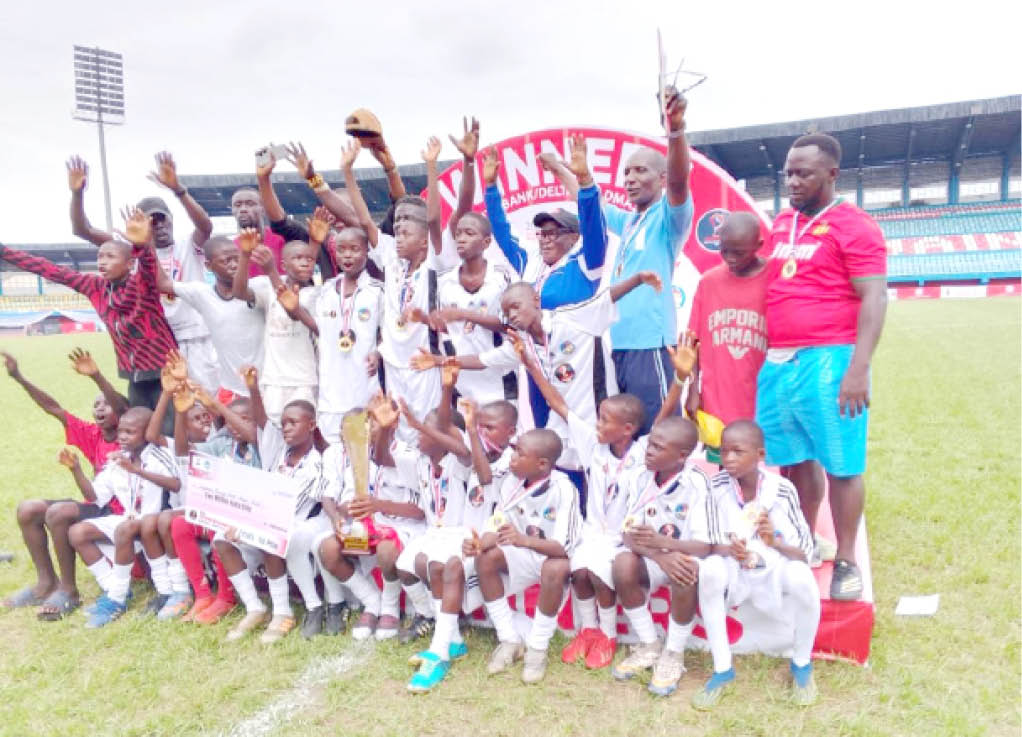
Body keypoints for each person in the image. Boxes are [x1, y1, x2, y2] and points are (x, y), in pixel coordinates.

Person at [757, 133, 887, 599]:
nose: (792, 181)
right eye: (788, 172)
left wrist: (858, 368)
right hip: (779, 360)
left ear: (831, 174)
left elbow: (874, 295)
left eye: (803, 173)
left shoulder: (856, 225)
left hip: (830, 357)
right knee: (793, 460)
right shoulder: (781, 224)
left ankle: (847, 561)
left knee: (842, 463)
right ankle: (804, 543)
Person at [414, 271, 662, 491]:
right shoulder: (522, 344)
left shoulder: (571, 317)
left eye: (516, 306)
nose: (512, 315)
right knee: (559, 476)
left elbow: (607, 297)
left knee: (601, 480)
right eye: (507, 311)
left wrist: (639, 279)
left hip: (595, 418)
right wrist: (438, 361)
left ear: (535, 300)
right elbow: (482, 359)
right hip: (561, 421)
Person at [694, 420, 819, 709]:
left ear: (760, 455)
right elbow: (704, 542)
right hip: (733, 568)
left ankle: (801, 664)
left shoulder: (782, 489)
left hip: (773, 568)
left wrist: (773, 540)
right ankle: (722, 668)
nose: (729, 460)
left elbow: (804, 552)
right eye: (724, 452)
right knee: (711, 570)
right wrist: (729, 549)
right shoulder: (714, 487)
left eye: (738, 452)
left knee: (802, 578)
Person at [67, 153, 218, 392]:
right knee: (168, 409)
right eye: (151, 221)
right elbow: (81, 229)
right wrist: (77, 194)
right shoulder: (127, 251)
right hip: (155, 342)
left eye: (162, 219)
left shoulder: (188, 244)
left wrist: (179, 190)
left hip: (194, 335)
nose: (158, 225)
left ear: (171, 220)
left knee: (205, 401)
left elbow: (205, 226)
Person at [1, 209, 176, 410]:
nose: (102, 262)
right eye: (100, 256)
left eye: (110, 256)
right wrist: (5, 252)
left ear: (129, 264)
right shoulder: (94, 286)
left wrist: (142, 246)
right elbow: (52, 271)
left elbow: (148, 267)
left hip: (165, 372)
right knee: (141, 432)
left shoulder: (142, 285)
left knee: (170, 432)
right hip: (134, 376)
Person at [0, 349, 126, 619]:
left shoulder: (131, 434)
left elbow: (123, 407)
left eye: (106, 404)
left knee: (59, 513)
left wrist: (96, 377)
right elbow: (53, 408)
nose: (100, 409)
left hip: (119, 511)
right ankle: (46, 583)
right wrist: (18, 377)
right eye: (96, 405)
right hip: (98, 503)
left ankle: (69, 591)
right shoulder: (93, 435)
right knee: (28, 509)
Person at [406, 397, 517, 692]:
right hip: (469, 537)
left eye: (489, 428)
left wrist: (466, 429)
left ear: (510, 432)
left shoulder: (514, 460)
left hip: (499, 542)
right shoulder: (470, 453)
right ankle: (452, 641)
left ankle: (439, 654)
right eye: (480, 427)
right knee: (427, 563)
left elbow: (484, 476)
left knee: (451, 567)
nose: (482, 433)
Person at [602, 88, 695, 434]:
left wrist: (676, 130)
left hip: (652, 345)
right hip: (621, 343)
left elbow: (681, 179)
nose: (629, 179)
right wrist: (568, 172)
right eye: (626, 173)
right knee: (631, 435)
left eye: (640, 171)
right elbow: (590, 200)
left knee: (661, 435)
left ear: (661, 179)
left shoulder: (669, 217)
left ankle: (673, 489)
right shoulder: (628, 221)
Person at [213, 365, 327, 644]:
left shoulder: (318, 461)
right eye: (284, 423)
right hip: (267, 518)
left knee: (270, 536)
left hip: (298, 523)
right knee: (221, 539)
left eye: (293, 423)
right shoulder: (276, 451)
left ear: (311, 425)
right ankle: (255, 607)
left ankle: (283, 610)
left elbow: (292, 510)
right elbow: (262, 421)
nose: (286, 428)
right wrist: (253, 387)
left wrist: (254, 524)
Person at [472, 428, 582, 684]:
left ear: (542, 463)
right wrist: (480, 543)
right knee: (485, 557)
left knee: (555, 568)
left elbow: (563, 547)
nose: (511, 458)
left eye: (519, 453)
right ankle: (509, 639)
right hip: (523, 552)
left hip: (550, 557)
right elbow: (497, 523)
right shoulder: (512, 481)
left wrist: (523, 540)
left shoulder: (564, 489)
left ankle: (537, 648)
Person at [609, 415, 711, 691]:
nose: (649, 452)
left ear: (682, 456)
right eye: (649, 445)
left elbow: (704, 546)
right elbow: (625, 532)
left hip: (686, 555)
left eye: (658, 448)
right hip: (651, 555)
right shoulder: (637, 477)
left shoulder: (698, 484)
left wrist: (669, 553)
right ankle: (649, 643)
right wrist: (658, 555)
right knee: (622, 565)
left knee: (684, 569)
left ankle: (673, 653)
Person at [316, 394, 427, 641]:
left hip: (405, 529)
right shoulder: (362, 456)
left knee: (387, 550)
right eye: (367, 423)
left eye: (373, 423)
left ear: (392, 424)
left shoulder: (408, 455)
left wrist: (378, 505)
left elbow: (420, 510)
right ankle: (370, 600)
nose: (366, 428)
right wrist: (347, 512)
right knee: (329, 548)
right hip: (372, 528)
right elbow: (346, 499)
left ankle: (389, 607)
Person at [67, 407, 182, 628]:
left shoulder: (160, 455)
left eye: (130, 432)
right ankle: (115, 588)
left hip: (158, 519)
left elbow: (175, 485)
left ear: (147, 432)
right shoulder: (119, 461)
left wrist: (136, 471)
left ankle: (116, 600)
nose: (122, 437)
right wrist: (76, 470)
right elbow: (94, 496)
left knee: (124, 529)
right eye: (121, 431)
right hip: (131, 519)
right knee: (77, 532)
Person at [390, 365, 472, 641]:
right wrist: (384, 429)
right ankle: (426, 614)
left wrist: (446, 391)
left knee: (434, 564)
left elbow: (461, 448)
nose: (418, 434)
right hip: (432, 531)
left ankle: (447, 631)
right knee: (403, 564)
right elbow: (381, 457)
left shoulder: (459, 462)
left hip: (460, 534)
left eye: (426, 430)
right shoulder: (420, 461)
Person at [481, 134, 606, 308]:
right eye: (542, 233)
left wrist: (585, 183)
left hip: (571, 335)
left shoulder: (586, 262)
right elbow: (502, 230)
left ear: (574, 237)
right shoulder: (531, 259)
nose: (545, 239)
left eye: (553, 233)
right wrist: (491, 186)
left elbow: (593, 226)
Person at [170, 387, 261, 624]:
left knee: (217, 527)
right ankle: (202, 596)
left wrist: (218, 406)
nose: (234, 426)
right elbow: (182, 452)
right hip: (223, 511)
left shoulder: (261, 444)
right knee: (181, 525)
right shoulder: (223, 444)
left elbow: (252, 434)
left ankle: (226, 597)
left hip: (252, 516)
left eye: (243, 419)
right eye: (231, 421)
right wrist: (180, 414)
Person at [686, 212, 770, 462]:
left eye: (739, 252)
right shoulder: (709, 283)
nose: (731, 259)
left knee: (763, 472)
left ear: (759, 245)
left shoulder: (774, 279)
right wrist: (693, 390)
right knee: (726, 468)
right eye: (724, 251)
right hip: (719, 399)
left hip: (762, 397)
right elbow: (693, 343)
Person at [155, 236, 264, 404]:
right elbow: (163, 283)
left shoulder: (260, 287)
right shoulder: (202, 294)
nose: (234, 264)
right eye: (226, 261)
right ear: (208, 265)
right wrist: (147, 246)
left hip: (265, 387)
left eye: (238, 258)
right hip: (231, 391)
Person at [232, 232, 319, 425]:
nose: (305, 263)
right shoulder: (266, 286)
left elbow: (293, 312)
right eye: (298, 258)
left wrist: (271, 271)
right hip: (274, 379)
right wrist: (245, 256)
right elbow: (238, 292)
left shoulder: (316, 294)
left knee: (301, 430)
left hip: (304, 378)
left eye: (310, 259)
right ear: (284, 265)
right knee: (272, 433)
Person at [431, 211, 516, 405]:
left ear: (486, 242)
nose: (461, 239)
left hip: (498, 379)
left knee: (502, 433)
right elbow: (443, 329)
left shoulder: (501, 277)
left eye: (469, 233)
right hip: (460, 379)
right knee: (464, 433)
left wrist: (464, 314)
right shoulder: (445, 281)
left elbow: (510, 326)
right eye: (458, 233)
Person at [229, 185, 285, 277]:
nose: (243, 209)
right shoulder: (231, 247)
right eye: (237, 205)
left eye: (250, 204)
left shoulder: (281, 239)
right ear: (232, 210)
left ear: (262, 209)